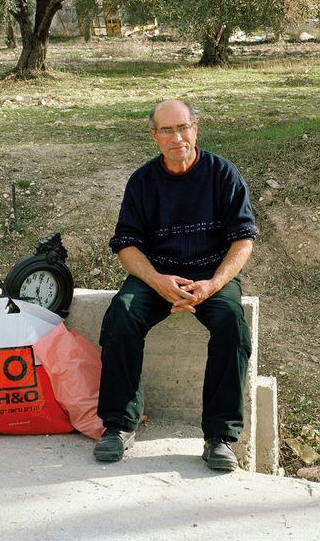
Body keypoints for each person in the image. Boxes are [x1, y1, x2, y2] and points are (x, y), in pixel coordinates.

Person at [94, 99, 257, 471]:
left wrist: (213, 285)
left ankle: (220, 438)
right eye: (166, 130)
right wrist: (157, 280)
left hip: (210, 277)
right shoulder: (143, 182)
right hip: (157, 275)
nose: (176, 137)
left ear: (195, 129)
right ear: (154, 136)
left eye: (182, 127)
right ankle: (118, 426)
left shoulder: (223, 174)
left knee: (231, 325)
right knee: (121, 316)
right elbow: (127, 244)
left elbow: (243, 239)